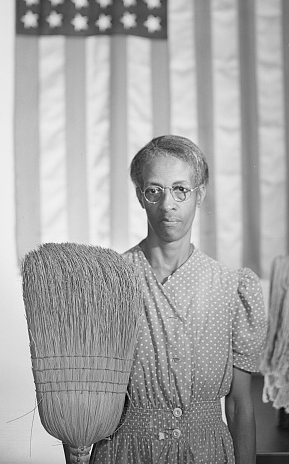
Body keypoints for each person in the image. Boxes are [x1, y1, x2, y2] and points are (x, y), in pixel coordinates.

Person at [66, 135, 267, 464]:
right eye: (154, 190)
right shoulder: (109, 282)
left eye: (180, 190)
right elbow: (83, 397)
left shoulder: (231, 288)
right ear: (140, 196)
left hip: (207, 454)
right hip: (126, 453)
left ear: (199, 194)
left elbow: (240, 405)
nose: (167, 204)